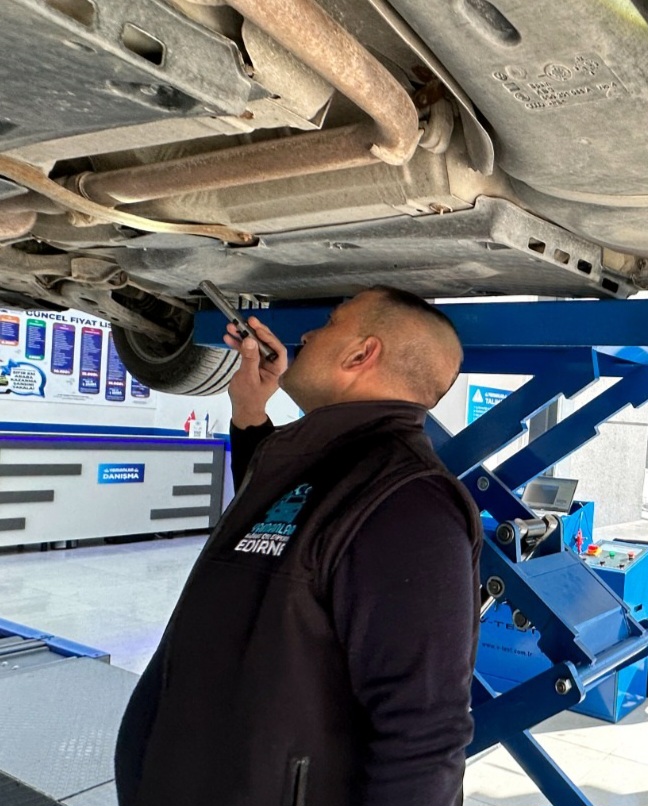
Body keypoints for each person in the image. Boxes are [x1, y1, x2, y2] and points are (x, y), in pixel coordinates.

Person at [115, 287, 483, 806]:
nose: (308, 334)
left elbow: (423, 733)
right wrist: (250, 410)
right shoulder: (328, 461)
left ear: (361, 354)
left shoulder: (410, 504)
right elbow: (288, 528)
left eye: (330, 322)